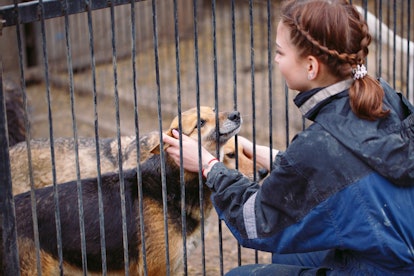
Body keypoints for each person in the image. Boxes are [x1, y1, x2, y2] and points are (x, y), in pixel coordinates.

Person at [163, 0, 414, 274]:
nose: (275, 59)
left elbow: (256, 221)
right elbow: (340, 168)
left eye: (280, 52)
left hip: (377, 269)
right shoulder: (382, 95)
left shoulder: (320, 145)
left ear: (311, 67)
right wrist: (257, 150)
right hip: (395, 251)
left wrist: (207, 165)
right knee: (291, 254)